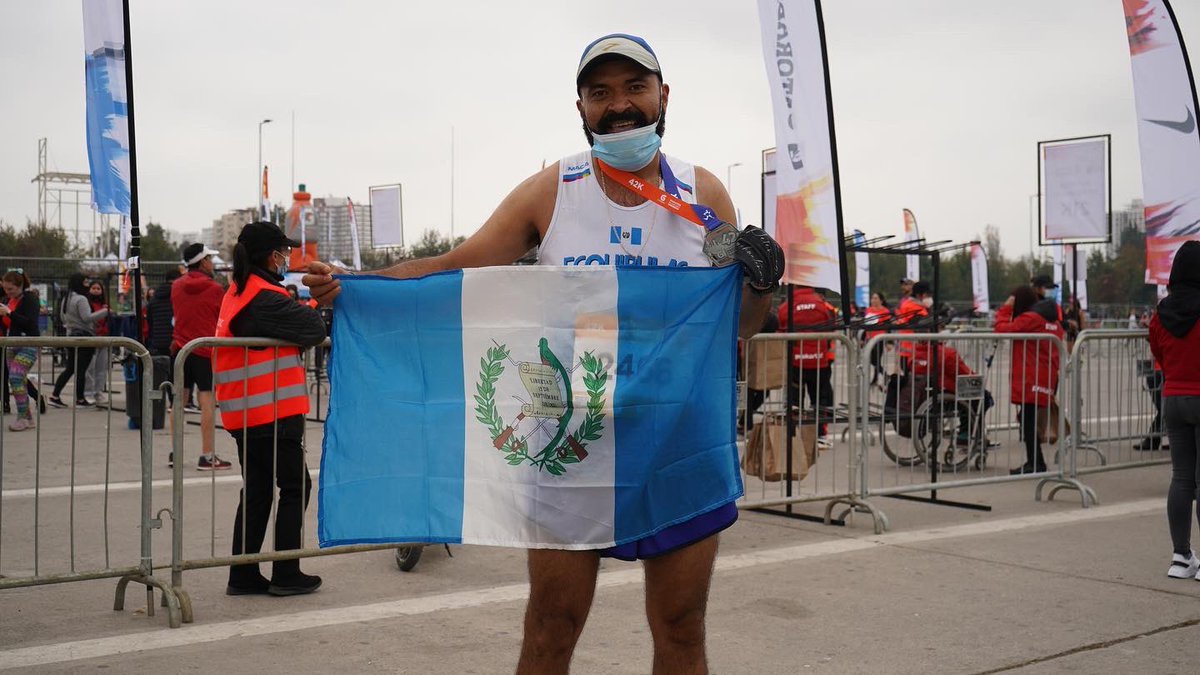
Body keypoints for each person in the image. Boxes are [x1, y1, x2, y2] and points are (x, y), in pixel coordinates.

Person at [303, 33, 784, 674]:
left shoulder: (704, 195)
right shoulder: (553, 191)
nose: (620, 106)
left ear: (663, 96)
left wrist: (760, 284)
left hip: (678, 440)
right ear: (580, 106)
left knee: (681, 628)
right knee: (550, 628)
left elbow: (740, 329)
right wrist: (357, 290)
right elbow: (452, 269)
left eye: (635, 88)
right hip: (572, 444)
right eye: (601, 92)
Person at [218, 222, 327, 597]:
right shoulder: (264, 297)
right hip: (273, 413)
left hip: (247, 412)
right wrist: (314, 304)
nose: (288, 258)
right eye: (284, 251)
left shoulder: (237, 291)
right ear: (270, 255)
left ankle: (243, 574)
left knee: (259, 491)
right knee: (296, 487)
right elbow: (312, 328)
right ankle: (286, 573)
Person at [1148, 241, 1200, 578]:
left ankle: (1181, 557)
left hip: (1173, 398)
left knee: (1181, 478)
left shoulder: (1161, 314)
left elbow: (1159, 354)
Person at [172, 243, 232, 471]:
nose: (212, 263)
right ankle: (207, 455)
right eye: (210, 259)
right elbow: (221, 316)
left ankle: (175, 452)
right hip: (204, 349)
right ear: (203, 261)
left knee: (178, 401)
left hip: (180, 348)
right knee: (206, 402)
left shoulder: (175, 286)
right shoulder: (215, 288)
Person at [993, 286, 1064, 474]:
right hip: (1045, 375)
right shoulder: (1053, 321)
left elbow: (1002, 329)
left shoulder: (1031, 318)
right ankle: (1036, 461)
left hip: (1031, 376)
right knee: (1028, 419)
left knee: (1028, 421)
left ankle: (1036, 463)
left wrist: (1006, 309)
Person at [778, 285, 837, 445]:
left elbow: (780, 325)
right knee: (820, 400)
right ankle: (820, 435)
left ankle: (792, 436)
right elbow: (831, 325)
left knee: (794, 401)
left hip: (795, 361)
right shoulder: (821, 304)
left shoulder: (788, 305)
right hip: (819, 361)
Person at [49, 273, 109, 408]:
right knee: (81, 369)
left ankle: (55, 395)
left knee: (70, 368)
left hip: (70, 335)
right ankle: (80, 399)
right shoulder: (81, 299)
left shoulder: (66, 298)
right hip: (84, 337)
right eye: (85, 282)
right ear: (79, 283)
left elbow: (63, 318)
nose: (88, 285)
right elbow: (87, 317)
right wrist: (105, 311)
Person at [1, 271, 44, 430]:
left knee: (16, 377)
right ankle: (28, 417)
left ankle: (22, 417)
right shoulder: (7, 300)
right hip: (11, 344)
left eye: (11, 289)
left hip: (28, 343)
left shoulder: (30, 299)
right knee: (17, 380)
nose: (8, 292)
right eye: (5, 289)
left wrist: (10, 313)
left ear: (20, 286)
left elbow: (30, 324)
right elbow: (8, 324)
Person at [83, 280, 112, 404]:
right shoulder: (86, 304)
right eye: (93, 288)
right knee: (90, 368)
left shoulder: (105, 305)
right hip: (91, 338)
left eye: (98, 288)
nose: (96, 290)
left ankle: (98, 392)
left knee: (102, 368)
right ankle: (88, 392)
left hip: (104, 339)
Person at [146, 269, 181, 357]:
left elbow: (149, 320)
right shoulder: (178, 295)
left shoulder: (154, 298)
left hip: (158, 341)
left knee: (163, 368)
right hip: (175, 341)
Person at [864, 292, 892, 386]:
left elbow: (888, 327)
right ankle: (878, 377)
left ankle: (883, 375)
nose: (873, 300)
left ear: (881, 300)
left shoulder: (885, 311)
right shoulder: (868, 310)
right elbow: (866, 325)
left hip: (879, 338)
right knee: (871, 359)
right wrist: (863, 338)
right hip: (869, 337)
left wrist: (889, 341)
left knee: (875, 360)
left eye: (876, 298)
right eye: (872, 298)